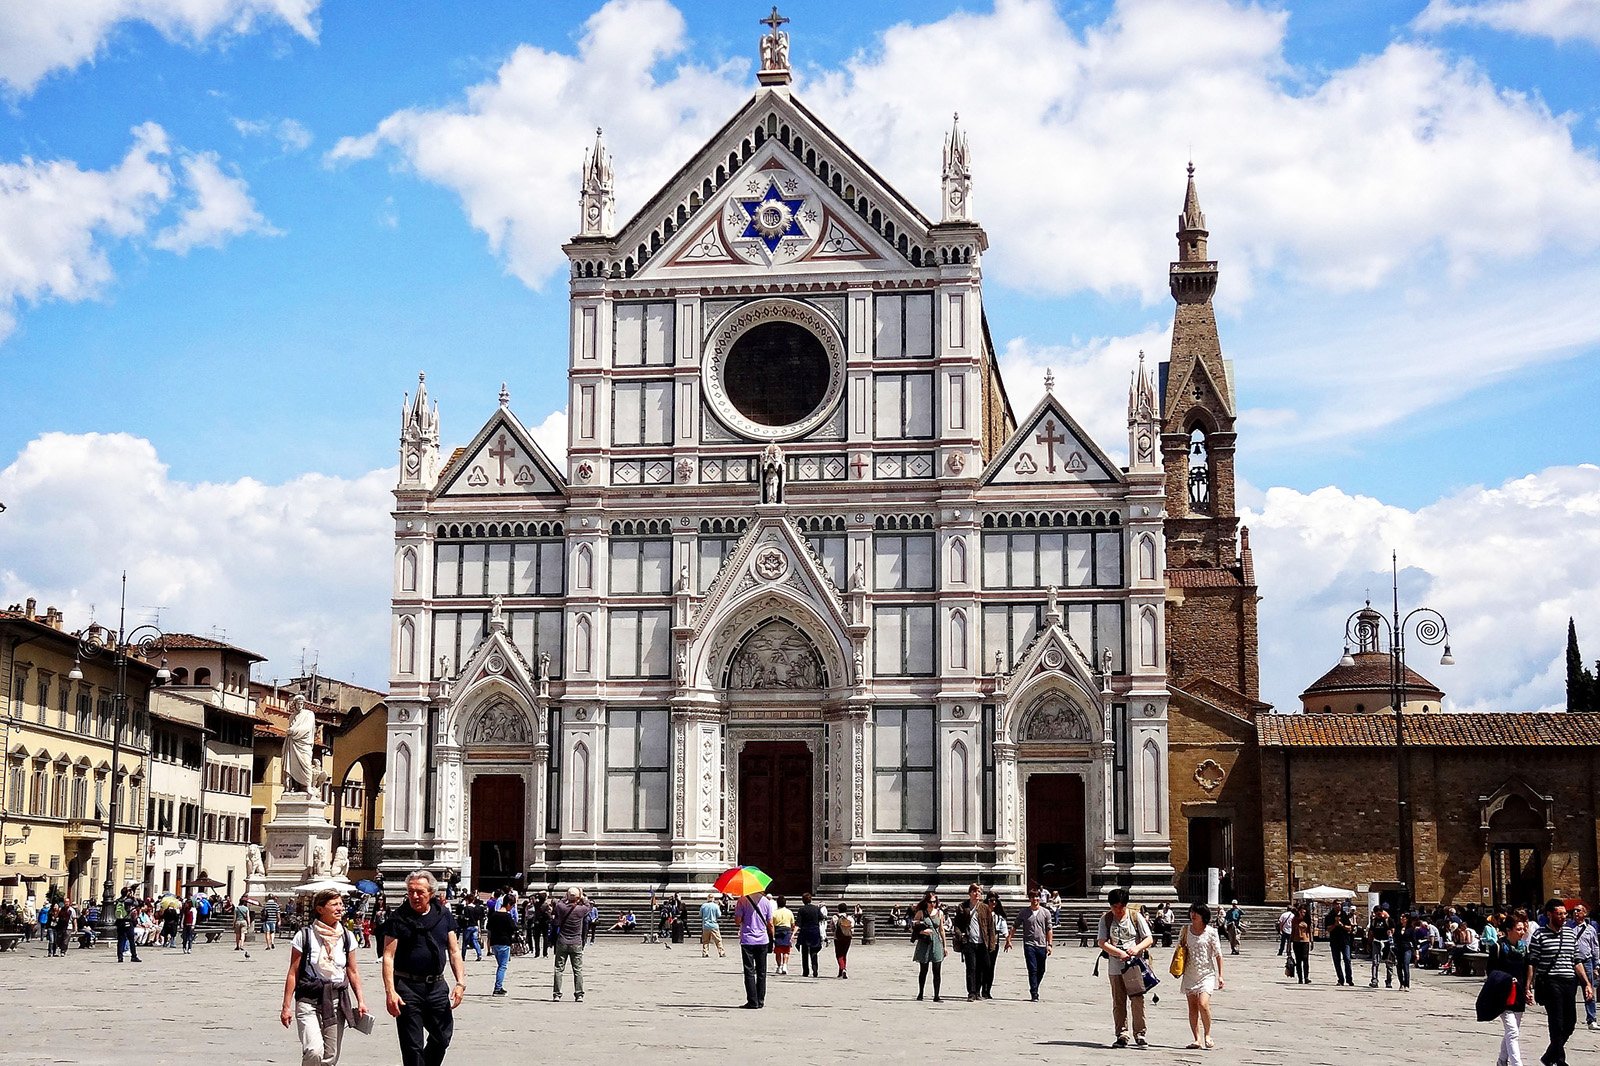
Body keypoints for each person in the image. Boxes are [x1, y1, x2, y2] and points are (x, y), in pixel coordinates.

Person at [381, 870, 467, 1066]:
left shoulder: (443, 915)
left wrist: (460, 983)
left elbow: (454, 951)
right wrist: (390, 992)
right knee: (412, 1045)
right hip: (407, 987)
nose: (414, 896)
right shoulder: (398, 918)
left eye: (420, 892)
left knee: (442, 1035)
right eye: (411, 891)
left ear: (431, 893)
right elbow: (388, 956)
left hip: (436, 986)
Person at [281, 888, 368, 1066]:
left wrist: (361, 1000)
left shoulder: (347, 936)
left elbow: (352, 970)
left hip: (337, 1000)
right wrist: (286, 1006)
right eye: (334, 904)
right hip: (309, 998)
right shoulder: (304, 936)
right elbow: (293, 972)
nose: (340, 908)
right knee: (314, 1050)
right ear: (320, 909)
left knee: (330, 1057)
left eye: (341, 904)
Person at [1529, 897, 1594, 1066]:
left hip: (1569, 982)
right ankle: (1559, 1059)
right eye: (1559, 914)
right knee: (1556, 1022)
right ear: (1549, 915)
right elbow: (1533, 961)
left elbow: (1577, 960)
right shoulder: (1539, 934)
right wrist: (1528, 986)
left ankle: (1549, 1055)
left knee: (1570, 1022)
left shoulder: (1570, 934)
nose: (1564, 917)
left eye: (1565, 914)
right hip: (1550, 981)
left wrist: (1587, 983)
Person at [1097, 889, 1153, 1048]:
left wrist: (1136, 949)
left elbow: (1148, 938)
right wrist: (1119, 953)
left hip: (1134, 966)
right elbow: (1102, 942)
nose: (1118, 911)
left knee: (1137, 1000)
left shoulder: (1135, 917)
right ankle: (1122, 1033)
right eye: (1114, 907)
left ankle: (1140, 1033)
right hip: (1115, 967)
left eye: (1121, 907)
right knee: (1118, 1001)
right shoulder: (1106, 919)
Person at [1179, 903, 1225, 1050]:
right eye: (1192, 912)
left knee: (1203, 1004)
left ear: (1203, 915)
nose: (1193, 915)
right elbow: (1180, 949)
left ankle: (1208, 1034)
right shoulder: (1185, 930)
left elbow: (1218, 954)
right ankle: (1197, 1039)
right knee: (1192, 1007)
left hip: (1206, 973)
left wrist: (1220, 976)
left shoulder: (1211, 932)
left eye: (1196, 913)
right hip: (1190, 972)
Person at [1489, 913, 1533, 1066]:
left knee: (1512, 1031)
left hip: (1519, 994)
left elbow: (1528, 968)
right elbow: (1491, 972)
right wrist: (1506, 980)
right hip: (1503, 994)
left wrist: (1528, 989)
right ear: (1509, 930)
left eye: (1523, 929)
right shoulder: (1498, 947)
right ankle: (1516, 1064)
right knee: (1513, 1032)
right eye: (1519, 929)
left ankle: (1502, 1061)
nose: (1522, 932)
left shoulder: (1523, 948)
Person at [1004, 889, 1054, 1002]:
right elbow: (1015, 926)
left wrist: (1049, 944)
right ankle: (1034, 993)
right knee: (1032, 969)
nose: (1035, 899)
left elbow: (1049, 929)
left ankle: (1035, 985)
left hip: (1041, 945)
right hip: (1029, 944)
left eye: (1037, 897)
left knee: (1041, 970)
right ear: (1029, 898)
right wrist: (1009, 939)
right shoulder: (1024, 912)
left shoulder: (1046, 912)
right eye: (1033, 897)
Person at [954, 882, 997, 1002]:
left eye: (979, 892)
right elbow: (956, 924)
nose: (976, 894)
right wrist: (960, 935)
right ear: (970, 893)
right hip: (969, 942)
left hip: (982, 942)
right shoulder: (963, 907)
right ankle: (971, 993)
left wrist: (991, 944)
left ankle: (978, 991)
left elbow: (990, 927)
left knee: (983, 967)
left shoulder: (985, 908)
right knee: (971, 968)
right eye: (974, 891)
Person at [735, 890, 777, 1008]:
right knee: (762, 972)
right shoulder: (766, 901)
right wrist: (772, 938)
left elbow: (737, 921)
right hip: (763, 940)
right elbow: (770, 923)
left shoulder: (742, 900)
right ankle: (760, 1000)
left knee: (749, 971)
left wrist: (743, 917)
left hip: (747, 940)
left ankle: (752, 1001)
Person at [551, 886, 593, 1002]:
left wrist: (568, 896)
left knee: (558, 969)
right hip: (576, 942)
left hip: (562, 941)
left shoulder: (561, 907)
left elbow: (559, 902)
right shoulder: (581, 910)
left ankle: (556, 994)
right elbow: (587, 904)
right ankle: (579, 994)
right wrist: (581, 894)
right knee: (577, 970)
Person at [911, 890, 948, 1002]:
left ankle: (936, 995)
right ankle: (921, 993)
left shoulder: (940, 913)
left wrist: (945, 946)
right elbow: (914, 927)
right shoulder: (921, 913)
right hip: (924, 943)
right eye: (931, 902)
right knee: (924, 970)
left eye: (935, 902)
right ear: (926, 902)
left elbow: (941, 929)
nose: (933, 904)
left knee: (937, 970)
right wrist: (922, 932)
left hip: (936, 942)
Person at [1571, 902, 1598, 1031]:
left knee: (1589, 990)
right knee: (1569, 991)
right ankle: (1570, 1018)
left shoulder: (1590, 929)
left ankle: (1591, 1019)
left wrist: (1596, 965)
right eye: (1574, 911)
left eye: (1578, 911)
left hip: (1586, 961)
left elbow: (1595, 947)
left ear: (1584, 913)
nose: (1575, 913)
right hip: (1571, 963)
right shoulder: (1568, 928)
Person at [485, 891, 518, 996]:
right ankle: (498, 988)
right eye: (512, 906)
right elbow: (514, 928)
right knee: (502, 966)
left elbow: (488, 927)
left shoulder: (494, 915)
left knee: (500, 965)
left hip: (495, 943)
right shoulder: (507, 916)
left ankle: (499, 986)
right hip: (504, 942)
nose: (512, 908)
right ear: (508, 904)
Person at [794, 892, 824, 977]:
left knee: (804, 953)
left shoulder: (801, 910)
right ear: (811, 899)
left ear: (803, 900)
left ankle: (805, 971)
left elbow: (798, 923)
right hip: (814, 932)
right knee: (814, 952)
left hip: (805, 932)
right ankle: (815, 969)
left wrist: (793, 934)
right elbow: (821, 918)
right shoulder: (816, 909)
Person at [984, 893, 1006, 998]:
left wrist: (1008, 939)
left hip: (995, 943)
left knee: (991, 967)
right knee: (984, 966)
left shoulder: (998, 916)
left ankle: (987, 989)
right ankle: (981, 988)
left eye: (995, 901)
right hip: (983, 943)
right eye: (991, 901)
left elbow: (1004, 928)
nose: (993, 903)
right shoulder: (982, 913)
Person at [1325, 902, 1353, 985]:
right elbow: (1328, 929)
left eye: (1340, 904)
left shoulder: (1345, 915)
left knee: (1347, 959)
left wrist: (1341, 925)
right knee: (1337, 961)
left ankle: (1349, 979)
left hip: (1345, 941)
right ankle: (1340, 979)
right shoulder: (1329, 916)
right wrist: (1335, 925)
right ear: (1333, 905)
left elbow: (1349, 928)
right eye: (1337, 904)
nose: (1338, 906)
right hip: (1334, 941)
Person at [114, 888, 141, 963]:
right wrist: (132, 897)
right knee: (131, 939)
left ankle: (120, 957)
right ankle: (134, 956)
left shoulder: (118, 900)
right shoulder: (128, 901)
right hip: (128, 921)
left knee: (121, 940)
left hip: (119, 922)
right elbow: (136, 904)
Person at [771, 895, 794, 975]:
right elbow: (792, 924)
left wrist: (772, 935)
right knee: (786, 950)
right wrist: (791, 932)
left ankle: (779, 966)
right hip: (787, 931)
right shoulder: (789, 912)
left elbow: (772, 925)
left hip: (778, 930)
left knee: (778, 950)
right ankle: (785, 965)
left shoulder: (774, 912)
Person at [1291, 904, 1312, 984]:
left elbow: (1310, 931)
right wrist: (1289, 943)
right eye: (1301, 912)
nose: (1302, 913)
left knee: (1305, 959)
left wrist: (1311, 941)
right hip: (1296, 941)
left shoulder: (1307, 920)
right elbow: (1292, 931)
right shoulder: (1295, 919)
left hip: (1305, 941)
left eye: (1304, 912)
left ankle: (1306, 977)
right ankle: (1300, 978)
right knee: (1298, 960)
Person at [459, 895, 484, 962]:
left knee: (465, 942)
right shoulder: (476, 908)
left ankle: (463, 956)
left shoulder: (466, 908)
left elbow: (464, 917)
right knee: (475, 941)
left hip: (468, 926)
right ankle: (479, 954)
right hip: (475, 926)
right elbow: (478, 918)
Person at [700, 893, 725, 958]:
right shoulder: (716, 906)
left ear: (707, 899)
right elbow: (719, 915)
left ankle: (705, 952)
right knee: (718, 940)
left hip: (705, 925)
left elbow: (700, 915)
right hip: (714, 925)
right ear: (713, 899)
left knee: (705, 941)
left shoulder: (703, 906)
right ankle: (721, 952)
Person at [834, 906, 853, 978]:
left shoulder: (835, 917)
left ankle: (843, 969)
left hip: (838, 938)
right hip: (848, 938)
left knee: (839, 955)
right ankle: (841, 971)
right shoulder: (850, 918)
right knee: (844, 954)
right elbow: (852, 927)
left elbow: (832, 927)